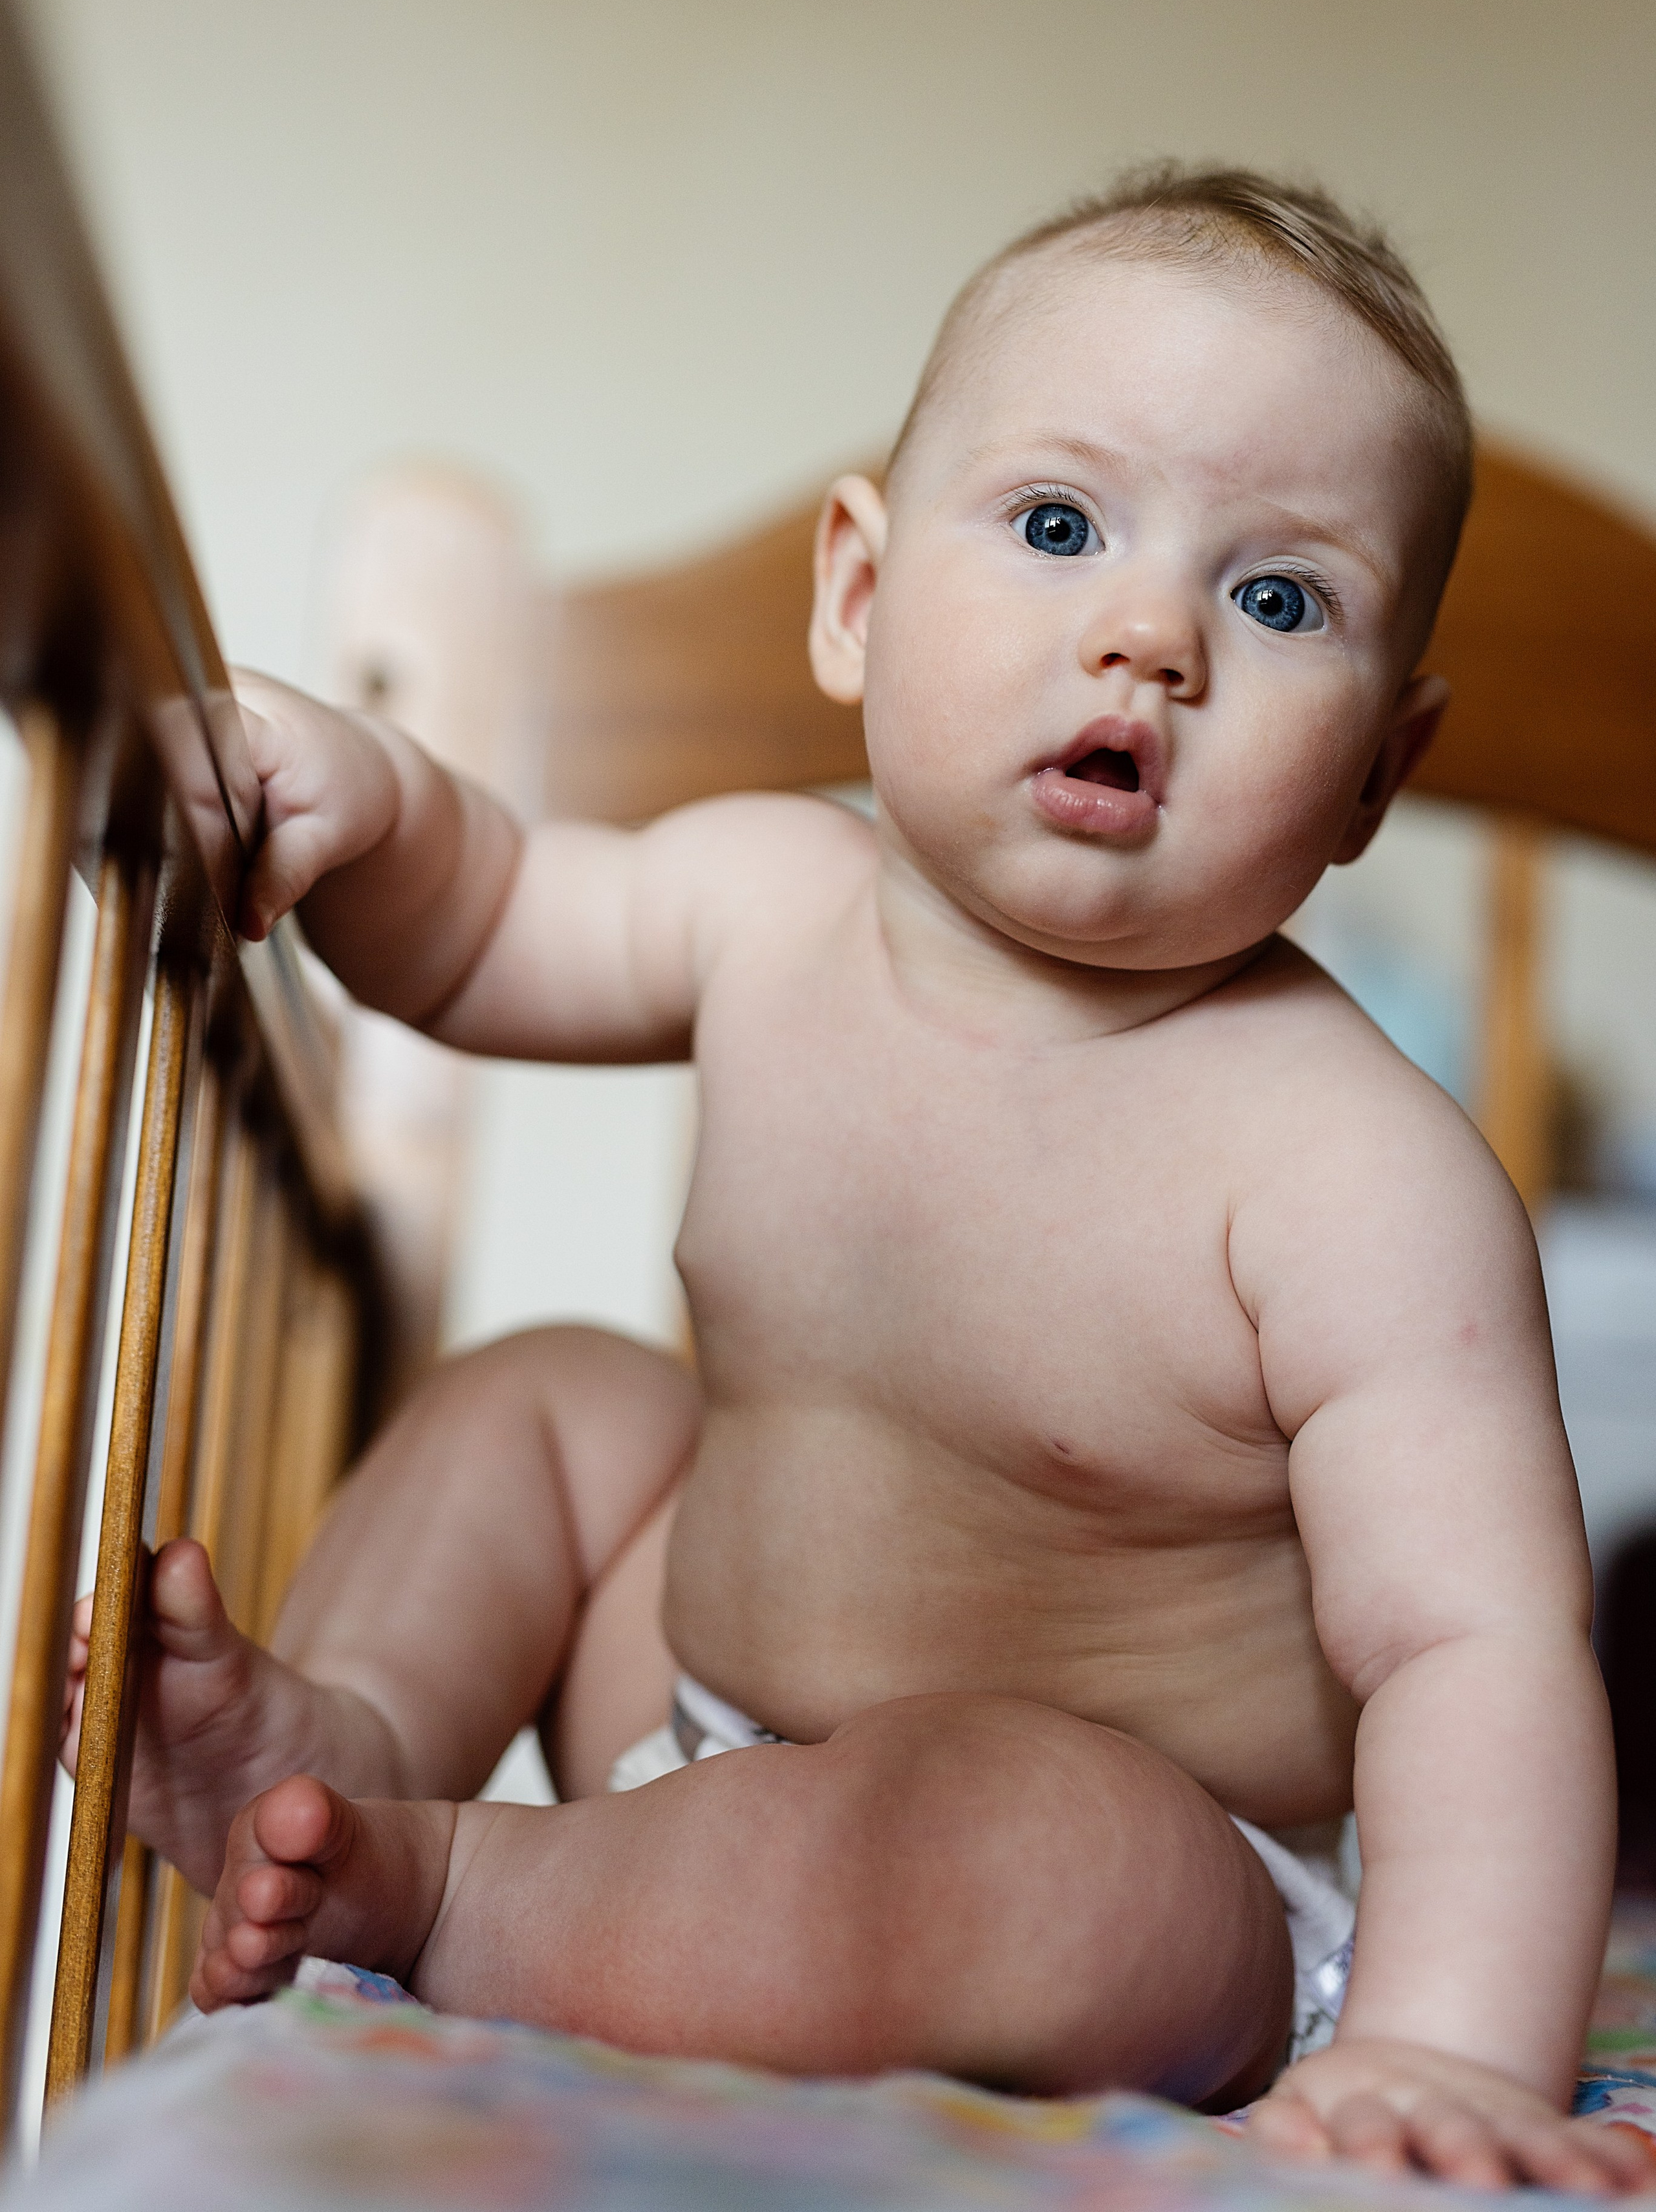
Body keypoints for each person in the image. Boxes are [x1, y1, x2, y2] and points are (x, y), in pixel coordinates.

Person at [65, 165, 1646, 2189]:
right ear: (859, 598)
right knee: (555, 1398)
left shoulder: (1357, 1176)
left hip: (1141, 1866)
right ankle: (345, 1745)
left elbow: (1474, 1652)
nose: (1151, 637)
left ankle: (459, 1891)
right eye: (1060, 525)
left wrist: (1448, 2050)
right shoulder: (762, 900)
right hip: (691, 1711)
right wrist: (366, 803)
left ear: (1375, 777)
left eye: (1279, 600)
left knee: (1045, 1860)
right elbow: (483, 925)